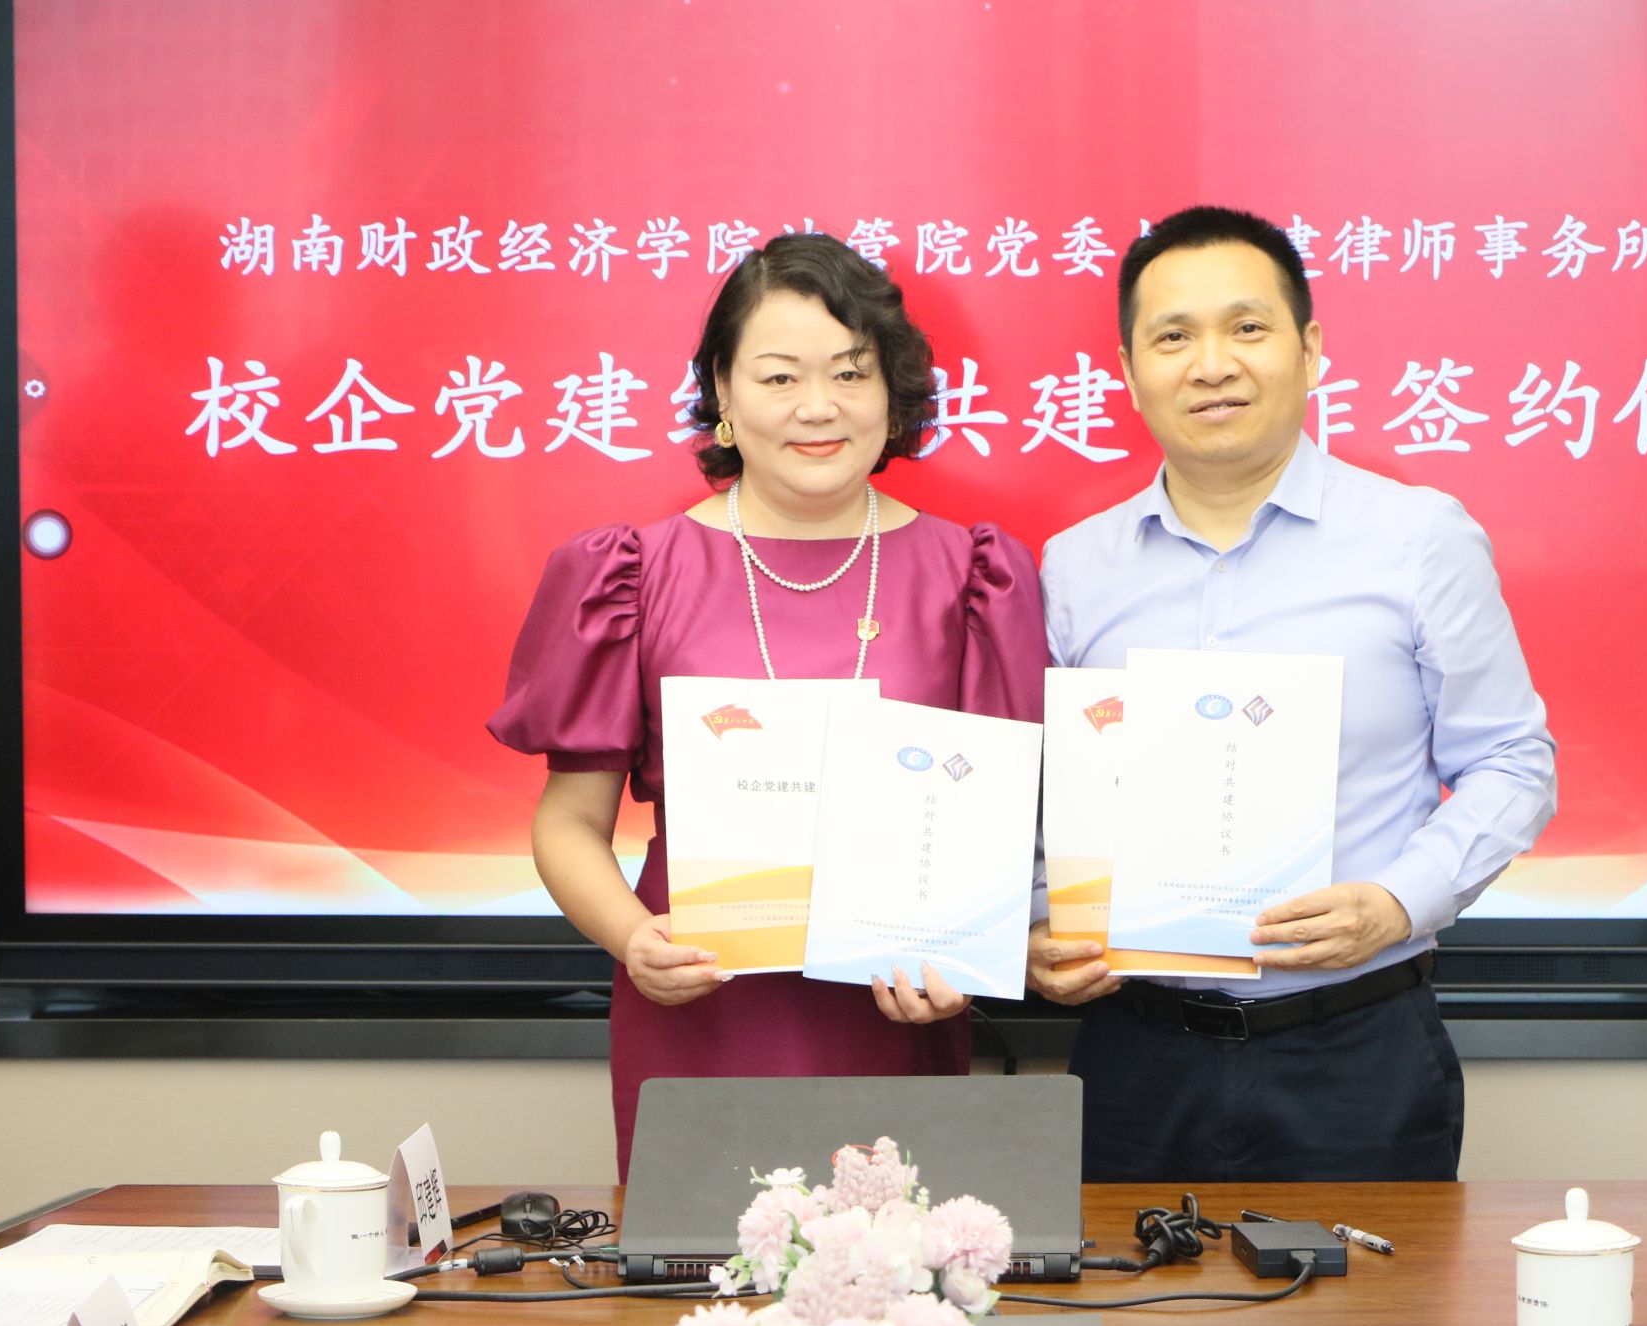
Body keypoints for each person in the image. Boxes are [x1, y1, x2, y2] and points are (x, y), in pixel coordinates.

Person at [489, 233, 1048, 1178]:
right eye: (780, 376)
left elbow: (991, 829)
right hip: (703, 1009)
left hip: (893, 1016)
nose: (818, 406)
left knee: (896, 1268)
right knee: (702, 1260)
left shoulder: (973, 576)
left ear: (892, 392)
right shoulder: (633, 573)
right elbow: (568, 822)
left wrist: (966, 960)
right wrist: (632, 938)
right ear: (723, 388)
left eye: (851, 373)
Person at [1027, 206, 1556, 1183]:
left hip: (1354, 1048)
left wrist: (1398, 902)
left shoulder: (1417, 538)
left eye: (1247, 327)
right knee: (1120, 1290)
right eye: (1172, 338)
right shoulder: (1072, 569)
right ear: (1128, 371)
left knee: (1366, 1293)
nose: (1211, 365)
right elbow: (1038, 787)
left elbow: (1511, 762)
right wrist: (1030, 924)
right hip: (1136, 1052)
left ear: (1309, 350)